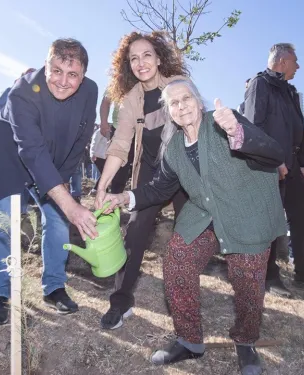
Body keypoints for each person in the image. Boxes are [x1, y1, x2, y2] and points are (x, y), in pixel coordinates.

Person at [99, 80, 285, 372]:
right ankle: (189, 340)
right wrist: (124, 196)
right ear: (169, 112)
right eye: (174, 103)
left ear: (199, 102)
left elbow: (274, 153)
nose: (181, 105)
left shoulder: (225, 122)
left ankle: (246, 342)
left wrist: (238, 131)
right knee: (177, 262)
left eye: (186, 99)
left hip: (246, 215)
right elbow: (159, 189)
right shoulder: (174, 148)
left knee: (248, 284)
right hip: (205, 214)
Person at [0, 39, 98, 325]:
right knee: (6, 216)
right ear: (46, 65)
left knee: (57, 220)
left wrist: (64, 184)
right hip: (10, 152)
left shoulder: (90, 91)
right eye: (56, 70)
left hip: (51, 158)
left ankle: (54, 287)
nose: (62, 81)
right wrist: (70, 205)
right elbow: (30, 150)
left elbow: (81, 139)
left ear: (83, 76)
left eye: (72, 74)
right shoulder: (22, 92)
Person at [94, 31, 190, 329]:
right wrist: (103, 186)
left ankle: (186, 304)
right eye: (133, 58)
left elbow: (196, 127)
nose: (141, 62)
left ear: (159, 58)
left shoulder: (178, 87)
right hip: (149, 171)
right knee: (135, 234)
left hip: (183, 169)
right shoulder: (131, 99)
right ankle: (121, 301)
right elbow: (120, 145)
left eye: (147, 55)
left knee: (188, 235)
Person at [243, 43, 304, 297]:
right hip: (271, 166)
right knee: (271, 222)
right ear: (282, 61)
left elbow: (296, 130)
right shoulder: (260, 84)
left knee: (303, 217)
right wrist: (274, 160)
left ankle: (303, 272)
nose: (298, 66)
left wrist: (302, 162)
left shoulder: (290, 91)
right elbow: (253, 127)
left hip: (291, 167)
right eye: (295, 61)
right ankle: (269, 276)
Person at [99, 89, 133, 194]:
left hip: (143, 129)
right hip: (119, 128)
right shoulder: (118, 80)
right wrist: (104, 122)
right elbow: (106, 101)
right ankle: (114, 196)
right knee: (119, 169)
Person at [90, 124, 109, 192]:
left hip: (103, 157)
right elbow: (93, 144)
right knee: (105, 174)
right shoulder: (98, 133)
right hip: (97, 157)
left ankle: (97, 189)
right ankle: (97, 189)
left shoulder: (104, 134)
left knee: (105, 174)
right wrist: (92, 154)